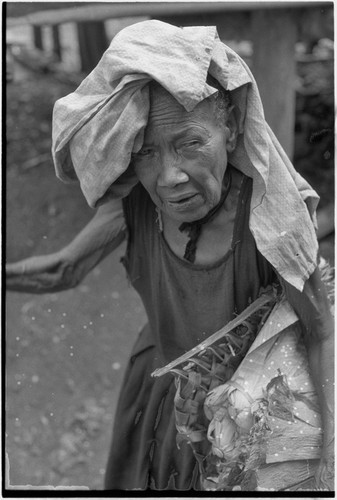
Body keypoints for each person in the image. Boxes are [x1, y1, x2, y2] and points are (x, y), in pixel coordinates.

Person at [6, 20, 334, 491]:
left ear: (232, 128)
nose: (170, 177)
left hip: (245, 415)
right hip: (158, 397)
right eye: (146, 153)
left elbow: (321, 331)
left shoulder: (270, 218)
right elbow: (63, 268)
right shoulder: (136, 202)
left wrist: (330, 460)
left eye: (190, 144)